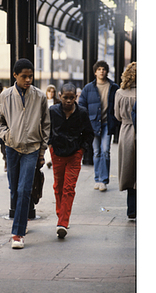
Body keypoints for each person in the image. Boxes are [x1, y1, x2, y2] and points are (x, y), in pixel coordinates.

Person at [0, 58, 50, 249]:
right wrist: (7, 136)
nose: (28, 80)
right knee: (14, 189)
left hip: (32, 148)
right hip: (12, 147)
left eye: (31, 76)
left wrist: (42, 151)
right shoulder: (4, 97)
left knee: (25, 189)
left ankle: (17, 232)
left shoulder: (40, 97)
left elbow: (46, 125)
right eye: (24, 76)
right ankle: (21, 220)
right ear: (15, 75)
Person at [49, 83, 94, 238]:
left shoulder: (82, 112)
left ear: (76, 97)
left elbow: (89, 133)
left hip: (74, 154)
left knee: (69, 188)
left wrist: (81, 150)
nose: (68, 100)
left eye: (71, 97)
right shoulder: (53, 111)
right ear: (60, 96)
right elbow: (46, 130)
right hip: (57, 154)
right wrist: (51, 146)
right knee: (58, 187)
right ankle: (61, 214)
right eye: (65, 97)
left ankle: (62, 222)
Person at [79, 60, 120, 192]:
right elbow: (81, 106)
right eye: (99, 69)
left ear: (106, 71)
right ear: (95, 72)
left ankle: (104, 180)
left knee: (105, 151)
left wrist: (115, 120)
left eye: (104, 69)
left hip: (107, 123)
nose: (101, 71)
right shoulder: (88, 88)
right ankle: (97, 179)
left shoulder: (114, 87)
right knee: (96, 152)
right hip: (93, 124)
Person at [114, 62, 137, 219]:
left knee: (129, 171)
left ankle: (131, 209)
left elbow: (116, 115)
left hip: (126, 131)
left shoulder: (120, 93)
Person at [45, 84, 60, 169]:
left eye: (52, 92)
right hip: (45, 124)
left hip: (54, 124)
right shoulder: (43, 101)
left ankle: (52, 159)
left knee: (53, 142)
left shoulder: (57, 102)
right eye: (49, 91)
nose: (51, 93)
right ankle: (49, 159)